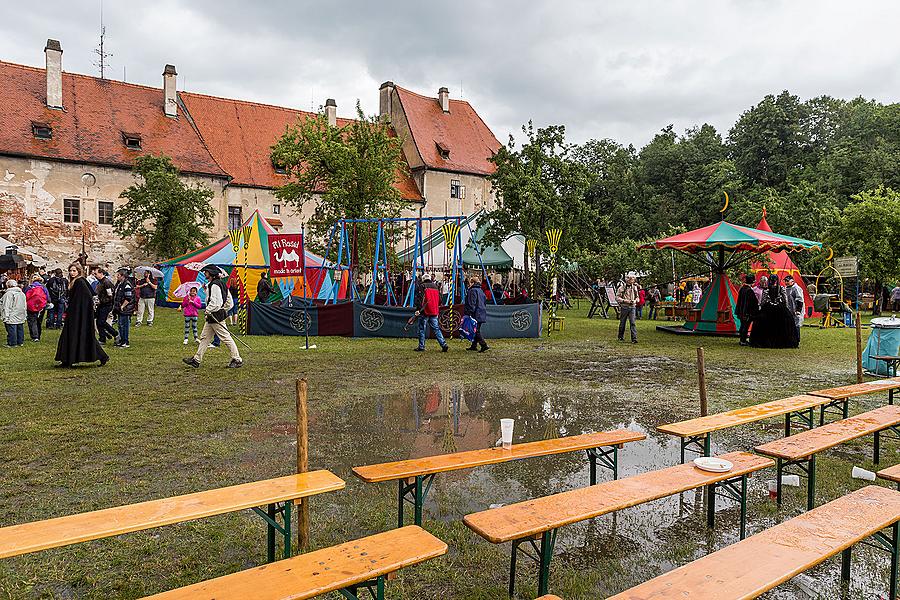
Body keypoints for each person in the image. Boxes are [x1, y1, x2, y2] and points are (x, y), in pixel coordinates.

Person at [183, 265, 243, 368]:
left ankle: (237, 359)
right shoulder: (221, 284)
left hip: (215, 315)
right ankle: (196, 360)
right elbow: (229, 303)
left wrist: (209, 310)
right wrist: (223, 309)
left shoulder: (214, 285)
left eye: (206, 272)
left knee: (225, 337)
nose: (204, 273)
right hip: (214, 315)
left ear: (211, 273)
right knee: (205, 337)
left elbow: (216, 302)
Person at [55, 263, 108, 366]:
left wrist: (78, 310)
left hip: (78, 314)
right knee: (72, 335)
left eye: (74, 271)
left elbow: (87, 297)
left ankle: (102, 356)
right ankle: (67, 360)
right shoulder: (75, 281)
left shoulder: (80, 281)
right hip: (74, 313)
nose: (72, 273)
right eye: (70, 271)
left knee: (80, 335)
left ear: (79, 271)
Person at [750, 274, 798, 349]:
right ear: (776, 280)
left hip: (768, 309)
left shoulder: (766, 289)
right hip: (780, 309)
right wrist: (785, 309)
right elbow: (785, 300)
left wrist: (762, 308)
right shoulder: (781, 288)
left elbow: (763, 301)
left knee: (765, 325)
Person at [414, 274, 448, 352]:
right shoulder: (436, 287)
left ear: (423, 279)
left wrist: (418, 309)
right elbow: (440, 300)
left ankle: (421, 346)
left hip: (424, 311)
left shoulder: (422, 286)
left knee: (422, 329)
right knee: (436, 329)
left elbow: (420, 298)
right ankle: (443, 344)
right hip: (434, 311)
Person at [112, 268, 136, 348]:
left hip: (126, 309)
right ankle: (121, 341)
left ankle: (125, 342)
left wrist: (122, 306)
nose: (117, 277)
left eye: (118, 275)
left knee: (124, 325)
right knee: (120, 325)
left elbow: (128, 298)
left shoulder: (127, 284)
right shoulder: (120, 284)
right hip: (120, 309)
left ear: (122, 276)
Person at [93, 268, 118, 344]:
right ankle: (102, 338)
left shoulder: (106, 282)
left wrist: (103, 301)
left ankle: (115, 334)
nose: (95, 275)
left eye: (96, 274)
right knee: (98, 322)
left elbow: (110, 295)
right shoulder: (100, 282)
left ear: (101, 273)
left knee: (101, 321)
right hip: (101, 304)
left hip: (106, 305)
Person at [465, 278, 489, 352]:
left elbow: (472, 303)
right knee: (475, 330)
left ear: (472, 282)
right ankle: (474, 345)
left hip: (476, 313)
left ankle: (483, 345)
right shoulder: (481, 290)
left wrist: (470, 312)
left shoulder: (472, 290)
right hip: (481, 312)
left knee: (476, 331)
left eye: (470, 282)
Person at [736, 274, 760, 346]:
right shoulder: (749, 291)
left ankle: (742, 340)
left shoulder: (742, 289)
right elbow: (753, 303)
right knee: (745, 327)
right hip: (746, 313)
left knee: (743, 326)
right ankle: (743, 341)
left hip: (741, 311)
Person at [1, 280, 26, 347]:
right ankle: (20, 342)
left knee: (12, 329)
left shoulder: (8, 294)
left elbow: (6, 306)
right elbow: (25, 304)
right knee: (19, 328)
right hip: (20, 313)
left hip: (12, 313)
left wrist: (5, 317)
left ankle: (12, 343)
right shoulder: (22, 293)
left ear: (8, 285)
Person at [616, 274, 640, 343]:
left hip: (632, 307)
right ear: (627, 280)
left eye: (633, 280)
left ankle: (634, 339)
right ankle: (620, 337)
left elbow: (637, 297)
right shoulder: (621, 288)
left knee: (633, 323)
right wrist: (625, 301)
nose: (632, 281)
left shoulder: (635, 288)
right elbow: (617, 298)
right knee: (622, 323)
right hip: (624, 307)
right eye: (630, 280)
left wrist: (635, 301)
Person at [24, 274, 48, 342]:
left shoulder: (29, 287)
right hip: (41, 306)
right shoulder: (43, 286)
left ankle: (34, 336)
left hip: (31, 306)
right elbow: (47, 296)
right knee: (39, 321)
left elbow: (25, 295)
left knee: (32, 321)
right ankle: (38, 335)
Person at [784, 275, 805, 343]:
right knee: (789, 324)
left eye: (787, 281)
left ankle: (796, 340)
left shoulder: (796, 288)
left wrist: (798, 310)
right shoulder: (786, 288)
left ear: (792, 281)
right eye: (785, 281)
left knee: (796, 325)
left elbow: (800, 299)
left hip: (796, 310)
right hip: (789, 309)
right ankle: (790, 339)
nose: (786, 282)